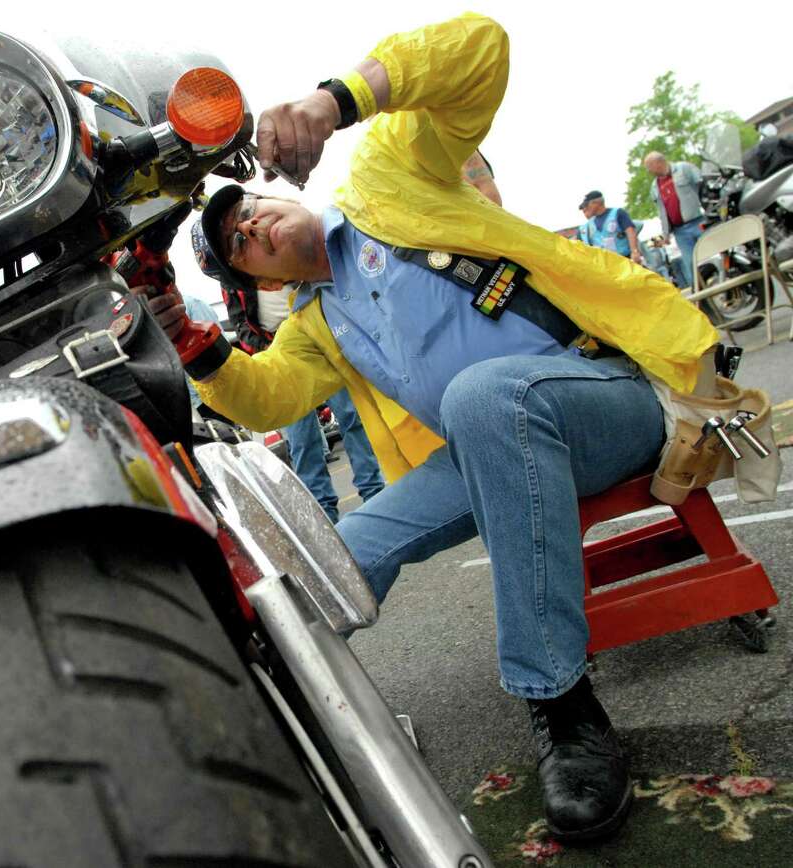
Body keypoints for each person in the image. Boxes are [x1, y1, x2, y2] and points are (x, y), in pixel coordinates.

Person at [145, 13, 719, 844]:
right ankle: (269, 727)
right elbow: (268, 399)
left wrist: (337, 100)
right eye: (240, 249)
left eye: (252, 214)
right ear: (260, 279)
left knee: (485, 397)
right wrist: (196, 347)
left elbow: (481, 46)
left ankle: (561, 705)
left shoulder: (385, 178)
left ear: (279, 193)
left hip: (606, 392)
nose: (255, 231)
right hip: (488, 448)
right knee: (333, 548)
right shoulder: (313, 323)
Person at [195, 224, 384, 521]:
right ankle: (325, 513)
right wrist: (262, 349)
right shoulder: (233, 284)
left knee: (352, 418)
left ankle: (375, 493)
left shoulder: (277, 248)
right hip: (275, 353)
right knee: (301, 440)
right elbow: (240, 323)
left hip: (320, 339)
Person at [644, 152, 705, 288]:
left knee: (714, 251)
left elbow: (703, 186)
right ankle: (701, 297)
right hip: (680, 231)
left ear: (658, 163)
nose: (648, 171)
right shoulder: (655, 186)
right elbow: (662, 212)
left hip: (698, 221)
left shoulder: (684, 169)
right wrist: (666, 234)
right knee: (690, 264)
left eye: (649, 167)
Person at [576, 191, 644, 264]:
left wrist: (634, 251)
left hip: (626, 259)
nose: (586, 208)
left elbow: (630, 231)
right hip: (607, 265)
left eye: (587, 205)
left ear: (596, 203)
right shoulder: (588, 226)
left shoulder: (617, 213)